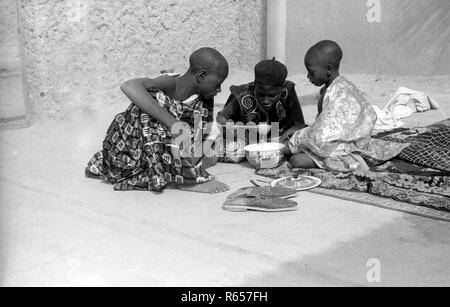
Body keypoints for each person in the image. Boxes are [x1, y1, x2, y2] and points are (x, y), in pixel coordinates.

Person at [85, 47, 230, 193]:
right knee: (152, 100)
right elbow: (129, 86)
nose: (219, 90)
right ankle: (187, 180)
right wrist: (171, 122)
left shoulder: (202, 101)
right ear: (202, 76)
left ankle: (179, 171)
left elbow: (194, 137)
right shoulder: (170, 83)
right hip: (132, 149)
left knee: (210, 150)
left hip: (163, 148)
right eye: (218, 84)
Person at [288, 40, 407, 172]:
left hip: (345, 147)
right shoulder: (335, 87)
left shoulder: (340, 94)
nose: (308, 76)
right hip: (340, 140)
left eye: (312, 72)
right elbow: (324, 125)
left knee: (296, 159)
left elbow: (323, 135)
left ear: (328, 69)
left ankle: (353, 160)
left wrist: (295, 140)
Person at [216, 58, 306, 162]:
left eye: (272, 96)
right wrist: (236, 129)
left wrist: (281, 141)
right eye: (261, 95)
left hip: (279, 136)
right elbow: (221, 118)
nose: (266, 101)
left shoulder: (288, 90)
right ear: (255, 86)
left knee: (302, 143)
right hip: (247, 137)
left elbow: (298, 125)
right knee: (233, 154)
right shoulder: (244, 95)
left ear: (281, 89)